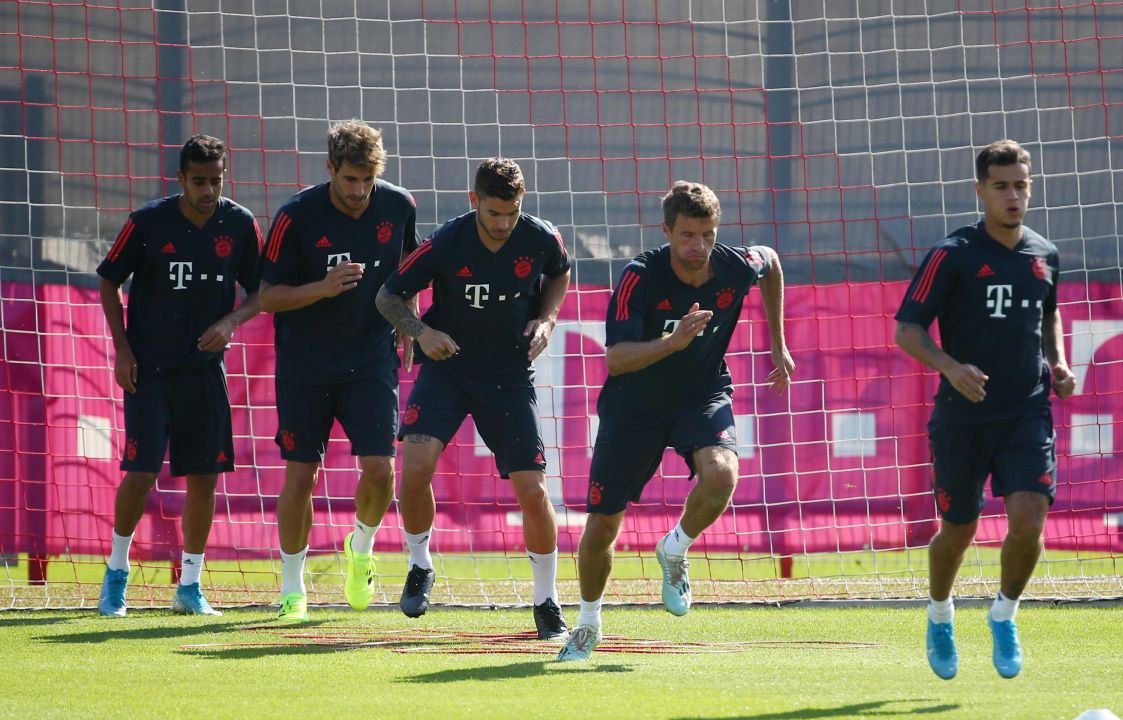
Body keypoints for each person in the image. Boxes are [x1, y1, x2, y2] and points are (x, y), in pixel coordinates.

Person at [556, 181, 794, 661]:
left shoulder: (732, 264)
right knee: (602, 526)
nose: (698, 246)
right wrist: (673, 342)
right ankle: (587, 624)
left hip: (700, 394)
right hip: (633, 406)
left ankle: (676, 549)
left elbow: (770, 261)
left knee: (724, 472)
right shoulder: (639, 277)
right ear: (666, 231)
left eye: (707, 234)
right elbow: (617, 359)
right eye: (687, 235)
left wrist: (777, 341)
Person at [894, 140, 1077, 680]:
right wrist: (950, 367)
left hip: (1027, 411)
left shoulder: (1045, 255)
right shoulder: (953, 255)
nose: (1013, 195)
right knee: (958, 530)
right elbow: (907, 329)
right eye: (1001, 186)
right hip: (963, 415)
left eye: (1021, 184)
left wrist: (1058, 362)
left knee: (1028, 521)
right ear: (981, 191)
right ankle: (940, 615)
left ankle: (1004, 614)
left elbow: (1049, 316)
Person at [376, 158, 572, 639]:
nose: (503, 223)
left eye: (512, 212)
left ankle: (547, 601)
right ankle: (420, 565)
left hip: (507, 374)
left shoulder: (541, 237)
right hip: (449, 368)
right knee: (416, 466)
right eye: (493, 213)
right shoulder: (447, 241)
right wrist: (420, 333)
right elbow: (388, 296)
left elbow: (560, 274)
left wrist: (546, 319)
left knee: (533, 491)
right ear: (474, 202)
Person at [96, 134, 263, 617]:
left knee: (205, 478)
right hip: (148, 370)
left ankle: (190, 585)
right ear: (180, 179)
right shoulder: (147, 223)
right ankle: (116, 575)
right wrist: (122, 349)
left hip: (205, 374)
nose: (208, 190)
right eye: (199, 181)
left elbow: (260, 291)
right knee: (141, 471)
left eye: (216, 180)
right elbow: (108, 280)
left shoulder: (240, 223)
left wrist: (231, 322)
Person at [259, 120, 418, 622]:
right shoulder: (296, 217)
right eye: (350, 180)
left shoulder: (399, 206)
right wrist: (321, 288)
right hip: (305, 365)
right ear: (330, 169)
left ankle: (362, 547)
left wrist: (407, 324)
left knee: (381, 470)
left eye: (368, 180)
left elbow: (409, 272)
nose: (360, 191)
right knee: (301, 476)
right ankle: (292, 590)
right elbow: (267, 296)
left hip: (370, 359)